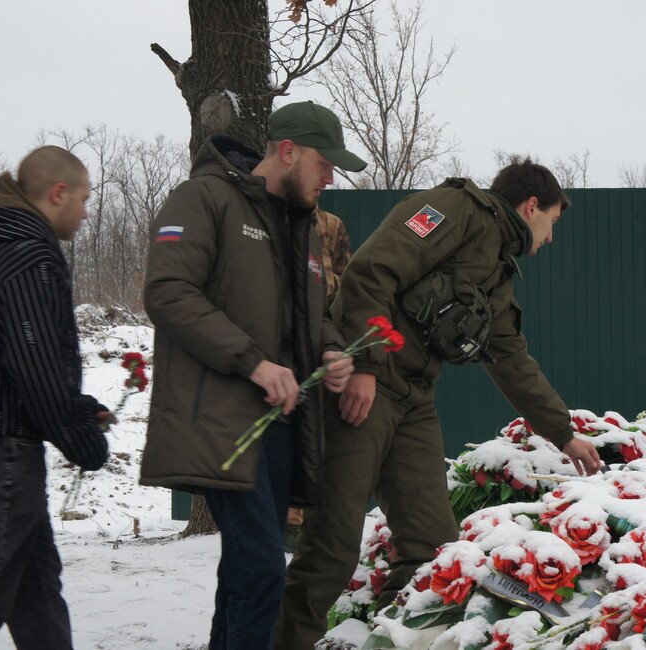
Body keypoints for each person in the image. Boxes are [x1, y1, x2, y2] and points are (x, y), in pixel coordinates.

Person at [276, 157, 603, 649]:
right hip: (367, 386)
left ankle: (394, 641)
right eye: (552, 222)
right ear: (531, 205)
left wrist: (564, 433)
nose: (552, 236)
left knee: (431, 551)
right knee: (332, 548)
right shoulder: (454, 209)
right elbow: (371, 271)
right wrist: (363, 364)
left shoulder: (498, 268)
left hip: (414, 400)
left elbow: (510, 357)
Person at [139, 101, 363, 650]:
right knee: (262, 569)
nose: (330, 178)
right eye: (324, 164)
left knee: (246, 573)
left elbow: (312, 317)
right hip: (220, 421)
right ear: (288, 151)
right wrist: (253, 363)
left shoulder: (302, 226)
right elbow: (168, 292)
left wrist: (332, 350)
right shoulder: (203, 198)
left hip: (281, 425)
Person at [0, 146, 109, 648]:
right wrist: (78, 435)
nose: (85, 213)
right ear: (58, 193)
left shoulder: (4, 242)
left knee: (37, 598)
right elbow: (33, 362)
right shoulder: (26, 252)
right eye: (83, 199)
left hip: (9, 444)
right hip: (4, 452)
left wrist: (78, 408)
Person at [284, 209, 354, 552]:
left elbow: (348, 275)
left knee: (321, 428)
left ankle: (312, 517)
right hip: (287, 335)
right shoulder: (276, 215)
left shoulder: (331, 224)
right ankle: (291, 520)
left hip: (326, 334)